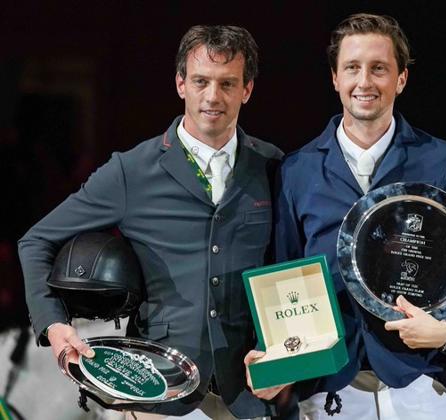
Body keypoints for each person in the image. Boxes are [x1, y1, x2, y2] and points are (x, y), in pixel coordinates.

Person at [18, 25, 282, 420]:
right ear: (180, 84)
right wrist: (54, 327)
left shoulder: (273, 165)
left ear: (247, 90)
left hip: (247, 396)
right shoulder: (130, 171)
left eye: (227, 83)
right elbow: (35, 241)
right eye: (200, 81)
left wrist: (285, 363)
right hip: (156, 393)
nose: (213, 96)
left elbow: (290, 268)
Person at [265, 13, 446, 420]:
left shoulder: (441, 161)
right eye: (352, 68)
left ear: (400, 79)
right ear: (335, 78)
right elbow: (284, 274)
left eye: (379, 68)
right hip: (329, 386)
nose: (364, 82)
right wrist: (282, 362)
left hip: (417, 379)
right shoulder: (298, 170)